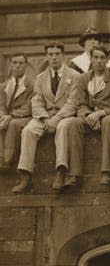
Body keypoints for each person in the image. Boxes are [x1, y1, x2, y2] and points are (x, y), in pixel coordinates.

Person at [12, 42, 80, 194]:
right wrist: (44, 118)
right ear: (46, 56)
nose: (54, 57)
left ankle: (61, 171)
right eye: (50, 54)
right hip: (45, 116)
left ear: (63, 55)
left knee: (62, 128)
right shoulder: (41, 77)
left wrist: (56, 119)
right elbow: (36, 101)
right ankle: (26, 175)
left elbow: (73, 103)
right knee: (28, 130)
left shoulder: (74, 76)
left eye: (57, 54)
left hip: (65, 115)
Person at [59, 45, 110, 187]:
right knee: (74, 123)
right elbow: (80, 103)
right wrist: (89, 115)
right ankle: (75, 174)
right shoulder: (83, 78)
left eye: (102, 57)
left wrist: (101, 113)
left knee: (108, 122)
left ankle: (106, 171)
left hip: (109, 113)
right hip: (90, 115)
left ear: (107, 59)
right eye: (96, 57)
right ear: (91, 58)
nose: (99, 61)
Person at [0, 52, 34, 172]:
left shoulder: (32, 85)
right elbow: (1, 104)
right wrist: (4, 116)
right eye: (14, 63)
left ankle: (6, 161)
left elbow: (29, 106)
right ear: (10, 65)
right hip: (9, 116)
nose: (17, 66)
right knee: (2, 122)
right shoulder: (4, 86)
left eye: (21, 63)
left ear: (26, 65)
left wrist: (11, 115)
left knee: (12, 124)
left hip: (25, 117)